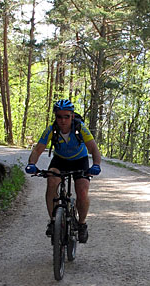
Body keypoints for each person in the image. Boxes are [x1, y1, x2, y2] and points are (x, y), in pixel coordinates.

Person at [25, 99, 101, 243]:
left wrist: (96, 165)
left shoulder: (80, 128)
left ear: (72, 116)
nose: (62, 120)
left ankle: (82, 224)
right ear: (55, 117)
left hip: (80, 160)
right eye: (59, 116)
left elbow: (93, 149)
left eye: (66, 116)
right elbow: (38, 149)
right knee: (52, 180)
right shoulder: (51, 130)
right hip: (60, 160)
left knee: (82, 190)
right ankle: (53, 220)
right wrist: (31, 164)